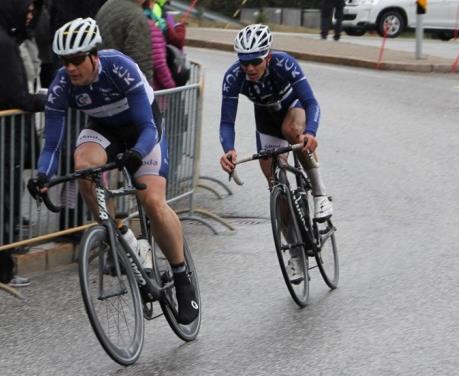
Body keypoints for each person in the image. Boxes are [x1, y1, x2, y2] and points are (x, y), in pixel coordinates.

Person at [29, 18, 198, 323]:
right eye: (65, 61)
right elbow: (52, 142)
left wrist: (136, 154)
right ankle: (123, 236)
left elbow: (147, 126)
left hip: (142, 132)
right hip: (104, 130)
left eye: (78, 59)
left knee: (153, 203)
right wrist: (42, 175)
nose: (70, 67)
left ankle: (181, 275)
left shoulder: (120, 68)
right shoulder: (62, 84)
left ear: (94, 55)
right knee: (83, 167)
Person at [218, 24, 333, 279]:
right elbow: (227, 122)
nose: (249, 68)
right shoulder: (233, 76)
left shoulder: (284, 63)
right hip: (266, 121)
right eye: (244, 62)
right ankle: (295, 253)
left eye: (255, 62)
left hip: (293, 109)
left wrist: (310, 133)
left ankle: (320, 194)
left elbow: (312, 102)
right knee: (275, 186)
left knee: (291, 129)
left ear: (267, 57)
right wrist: (228, 150)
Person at [0, 0, 47, 288]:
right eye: (26, 8)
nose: (30, 14)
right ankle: (4, 269)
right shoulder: (5, 45)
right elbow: (16, 95)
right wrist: (45, 100)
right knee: (5, 199)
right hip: (6, 135)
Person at [96, 0, 153, 84]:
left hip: (99, 77)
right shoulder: (136, 15)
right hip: (122, 85)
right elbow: (141, 61)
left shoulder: (109, 4)